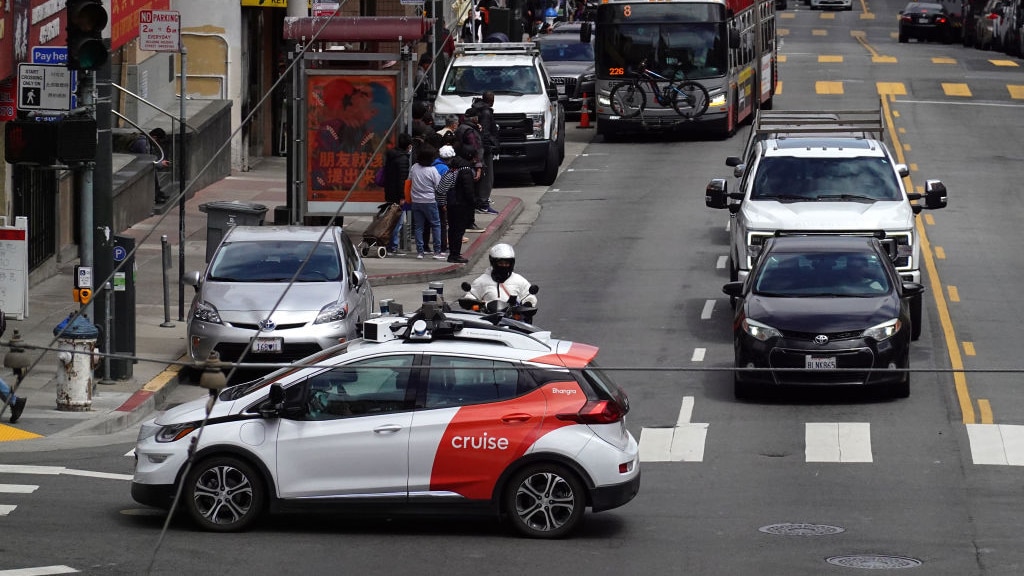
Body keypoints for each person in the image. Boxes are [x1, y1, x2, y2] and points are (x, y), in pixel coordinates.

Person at [466, 243, 538, 305]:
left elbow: (529, 296)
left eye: (507, 263)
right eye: (500, 263)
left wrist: (528, 303)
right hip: (487, 318)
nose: (504, 266)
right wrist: (469, 301)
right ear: (493, 263)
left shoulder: (519, 280)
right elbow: (471, 295)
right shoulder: (481, 281)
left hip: (512, 318)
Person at [408, 145, 446, 260]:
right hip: (429, 201)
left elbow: (409, 181)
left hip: (416, 200)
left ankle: (420, 252)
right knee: (436, 224)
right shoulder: (432, 170)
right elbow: (439, 186)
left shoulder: (414, 167)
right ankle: (437, 251)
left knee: (419, 227)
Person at [445, 145, 479, 264]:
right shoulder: (466, 169)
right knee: (458, 230)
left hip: (451, 202)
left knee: (453, 229)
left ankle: (453, 253)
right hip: (460, 204)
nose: (475, 160)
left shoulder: (455, 166)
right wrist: (473, 202)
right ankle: (455, 254)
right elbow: (468, 189)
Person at [471, 91, 500, 215]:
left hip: (478, 147)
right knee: (487, 177)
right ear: (492, 100)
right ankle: (483, 203)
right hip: (484, 148)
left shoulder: (476, 109)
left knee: (480, 175)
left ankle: (480, 201)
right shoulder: (486, 112)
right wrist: (490, 148)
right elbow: (486, 132)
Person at [384, 133, 413, 254]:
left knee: (392, 220)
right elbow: (402, 179)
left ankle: (391, 245)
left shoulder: (391, 155)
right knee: (398, 221)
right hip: (398, 195)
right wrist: (402, 197)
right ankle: (393, 246)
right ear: (409, 146)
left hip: (390, 192)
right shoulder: (403, 159)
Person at [129, 128, 171, 203]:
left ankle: (158, 193)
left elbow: (151, 157)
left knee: (153, 171)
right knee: (153, 172)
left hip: (140, 162)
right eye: (158, 141)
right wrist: (160, 164)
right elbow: (147, 160)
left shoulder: (147, 141)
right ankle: (156, 196)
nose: (157, 143)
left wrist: (160, 162)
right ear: (154, 137)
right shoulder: (143, 143)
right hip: (134, 163)